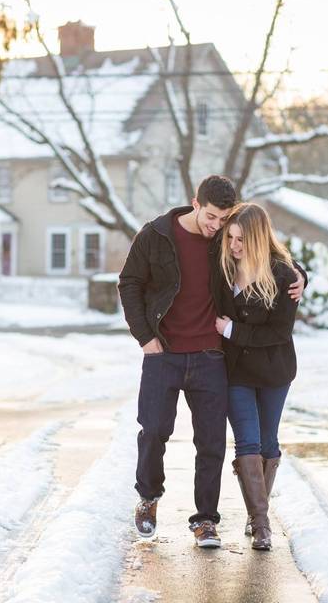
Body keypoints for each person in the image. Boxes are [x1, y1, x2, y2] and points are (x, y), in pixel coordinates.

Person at [118, 175, 237, 548]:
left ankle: (205, 521)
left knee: (212, 441)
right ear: (195, 203)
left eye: (224, 219)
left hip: (210, 356)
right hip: (163, 353)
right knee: (153, 430)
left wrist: (299, 273)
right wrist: (145, 337)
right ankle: (148, 499)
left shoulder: (226, 236)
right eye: (212, 217)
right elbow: (129, 283)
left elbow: (270, 254)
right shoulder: (155, 234)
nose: (216, 226)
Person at [212, 202, 305, 551]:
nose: (234, 246)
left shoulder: (283, 275)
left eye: (241, 239)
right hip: (235, 372)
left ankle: (257, 517)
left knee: (268, 443)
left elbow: (280, 332)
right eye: (231, 237)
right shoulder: (222, 269)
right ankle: (261, 524)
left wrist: (232, 330)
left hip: (273, 371)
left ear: (258, 239)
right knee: (247, 443)